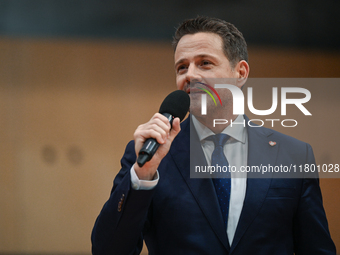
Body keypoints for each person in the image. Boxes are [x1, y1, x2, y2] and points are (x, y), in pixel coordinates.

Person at [91, 16, 336, 254]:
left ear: (240, 73)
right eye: (182, 67)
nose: (190, 75)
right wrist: (142, 177)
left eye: (205, 63)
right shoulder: (149, 154)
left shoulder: (293, 155)